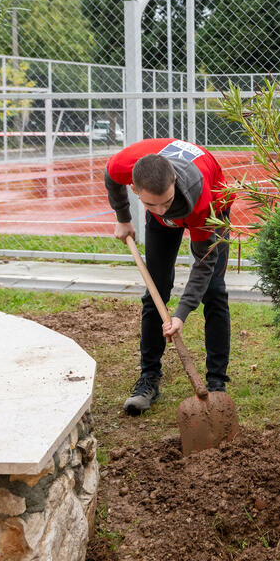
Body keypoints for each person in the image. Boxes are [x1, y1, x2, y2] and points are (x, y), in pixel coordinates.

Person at [105, 138, 234, 416]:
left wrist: (181, 314)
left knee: (213, 291)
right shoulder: (124, 165)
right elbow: (110, 175)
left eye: (166, 202)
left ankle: (216, 383)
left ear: (173, 180)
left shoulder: (199, 198)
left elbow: (204, 261)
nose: (162, 210)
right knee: (155, 291)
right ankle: (148, 379)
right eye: (152, 205)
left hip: (213, 206)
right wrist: (123, 217)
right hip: (169, 202)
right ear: (134, 188)